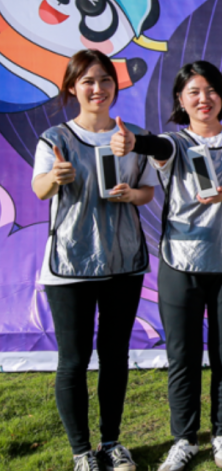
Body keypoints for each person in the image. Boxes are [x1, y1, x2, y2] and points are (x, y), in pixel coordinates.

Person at [111, 61, 222, 471]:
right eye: (194, 92)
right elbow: (157, 147)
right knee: (182, 355)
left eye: (211, 90)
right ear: (181, 101)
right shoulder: (174, 143)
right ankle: (183, 439)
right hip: (181, 262)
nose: (204, 99)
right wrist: (133, 142)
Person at [32, 50, 158, 471]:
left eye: (105, 80)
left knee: (115, 355)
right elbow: (39, 189)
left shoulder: (133, 136)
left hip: (123, 262)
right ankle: (81, 452)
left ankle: (111, 443)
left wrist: (131, 194)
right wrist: (55, 177)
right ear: (72, 87)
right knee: (73, 359)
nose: (97, 88)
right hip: (70, 264)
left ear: (114, 86)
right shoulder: (55, 138)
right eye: (87, 81)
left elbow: (147, 191)